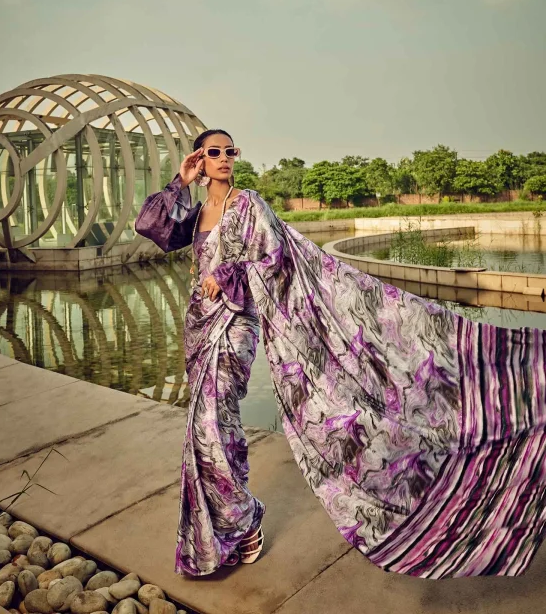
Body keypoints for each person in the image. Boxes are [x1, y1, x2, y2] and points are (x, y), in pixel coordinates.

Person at [135, 129, 546, 579]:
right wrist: (181, 178)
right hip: (199, 326)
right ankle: (231, 526)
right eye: (214, 152)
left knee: (215, 421)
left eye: (231, 151)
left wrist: (230, 270)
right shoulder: (195, 215)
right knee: (204, 429)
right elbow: (151, 225)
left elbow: (275, 259)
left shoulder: (248, 204)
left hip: (235, 325)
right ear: (201, 157)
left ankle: (243, 518)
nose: (225, 158)